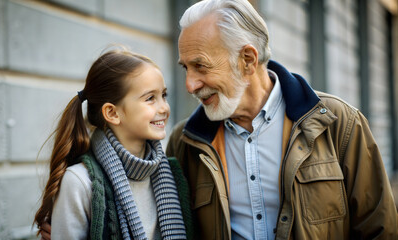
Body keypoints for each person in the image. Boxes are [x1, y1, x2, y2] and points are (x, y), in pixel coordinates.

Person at [165, 0, 398, 239]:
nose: (190, 85)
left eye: (200, 66)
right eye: (186, 68)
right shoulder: (185, 142)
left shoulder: (341, 124)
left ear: (247, 60)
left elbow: (379, 230)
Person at [34, 49, 193, 239]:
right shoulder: (80, 182)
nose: (164, 107)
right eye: (150, 98)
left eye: (164, 95)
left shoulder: (174, 174)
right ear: (112, 113)